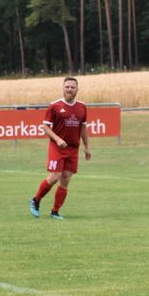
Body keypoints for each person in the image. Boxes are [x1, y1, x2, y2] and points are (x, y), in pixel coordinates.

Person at [29, 76, 91, 220]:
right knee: (55, 176)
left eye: (72, 87)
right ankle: (36, 200)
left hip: (73, 148)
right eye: (67, 87)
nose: (69, 89)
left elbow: (83, 128)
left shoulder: (82, 107)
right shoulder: (54, 106)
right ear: (63, 88)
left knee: (66, 179)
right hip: (57, 147)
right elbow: (45, 127)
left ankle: (55, 212)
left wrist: (87, 147)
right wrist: (57, 139)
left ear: (77, 89)